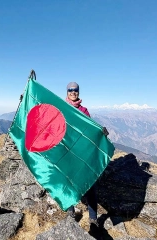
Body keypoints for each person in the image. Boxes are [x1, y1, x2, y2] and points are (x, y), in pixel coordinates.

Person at [65, 81, 99, 228]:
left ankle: (93, 218)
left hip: (82, 153)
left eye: (76, 90)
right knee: (67, 183)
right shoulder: (62, 108)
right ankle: (71, 213)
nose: (73, 92)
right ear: (67, 92)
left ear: (79, 92)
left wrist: (100, 132)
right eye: (70, 90)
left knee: (89, 184)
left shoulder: (84, 111)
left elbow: (90, 130)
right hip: (67, 152)